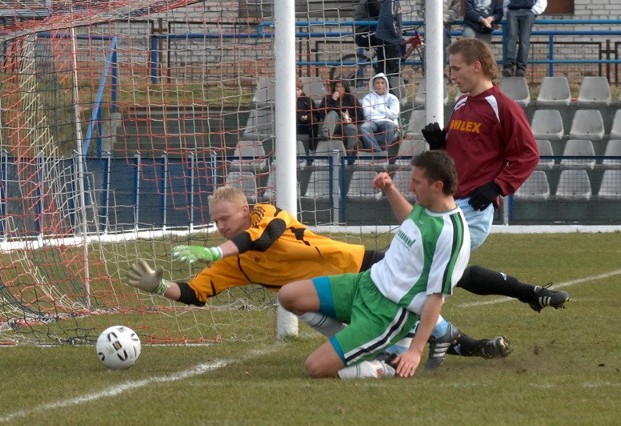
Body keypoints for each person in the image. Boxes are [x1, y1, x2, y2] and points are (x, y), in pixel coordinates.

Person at [127, 186, 510, 364]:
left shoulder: (268, 215)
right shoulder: (234, 262)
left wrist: (212, 250)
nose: (220, 227)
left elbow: (261, 240)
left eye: (224, 219)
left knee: (437, 285)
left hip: (356, 265)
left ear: (245, 210)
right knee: (294, 299)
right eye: (214, 223)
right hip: (327, 292)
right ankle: (398, 352)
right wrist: (160, 286)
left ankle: (469, 342)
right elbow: (196, 292)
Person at [421, 37, 569, 366]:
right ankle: (530, 294)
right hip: (446, 206)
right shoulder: (461, 104)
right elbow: (460, 156)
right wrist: (439, 145)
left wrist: (498, 186)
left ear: (477, 66)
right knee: (443, 272)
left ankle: (444, 341)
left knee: (429, 273)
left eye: (456, 68)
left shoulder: (501, 106)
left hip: (472, 210)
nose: (452, 74)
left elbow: (529, 155)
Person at [278, 150, 471, 379]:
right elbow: (411, 223)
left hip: (387, 312)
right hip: (365, 283)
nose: (411, 187)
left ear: (437, 186)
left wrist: (415, 351)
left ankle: (385, 366)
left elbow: (436, 297)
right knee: (289, 295)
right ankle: (361, 346)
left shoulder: (451, 233)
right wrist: (389, 189)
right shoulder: (428, 205)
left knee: (315, 367)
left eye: (416, 182)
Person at [317, 79, 363, 158]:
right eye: (337, 86)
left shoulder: (351, 99)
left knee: (351, 128)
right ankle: (326, 133)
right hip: (333, 125)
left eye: (341, 87)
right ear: (334, 88)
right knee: (332, 113)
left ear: (345, 88)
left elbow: (360, 116)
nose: (339, 89)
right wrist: (332, 100)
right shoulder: (327, 98)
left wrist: (351, 120)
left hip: (346, 124)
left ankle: (350, 155)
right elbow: (321, 114)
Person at [502, 0, 547, 77]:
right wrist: (506, 11)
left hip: (528, 12)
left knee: (524, 40)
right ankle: (509, 66)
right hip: (513, 11)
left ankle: (521, 68)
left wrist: (533, 11)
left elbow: (542, 1)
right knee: (511, 38)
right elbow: (506, 1)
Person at [359, 73, 400, 153]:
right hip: (372, 121)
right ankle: (379, 153)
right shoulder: (367, 98)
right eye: (377, 83)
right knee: (364, 128)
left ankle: (382, 152)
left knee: (391, 126)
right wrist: (387, 112)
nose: (380, 85)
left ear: (386, 84)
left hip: (388, 122)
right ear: (373, 85)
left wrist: (380, 109)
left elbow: (395, 113)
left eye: (382, 83)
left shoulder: (392, 98)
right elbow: (368, 114)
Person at [295, 78, 319, 158]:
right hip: (292, 126)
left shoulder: (308, 100)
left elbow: (316, 116)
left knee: (313, 121)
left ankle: (312, 151)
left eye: (297, 89)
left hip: (305, 126)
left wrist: (307, 117)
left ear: (301, 90)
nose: (295, 92)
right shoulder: (286, 101)